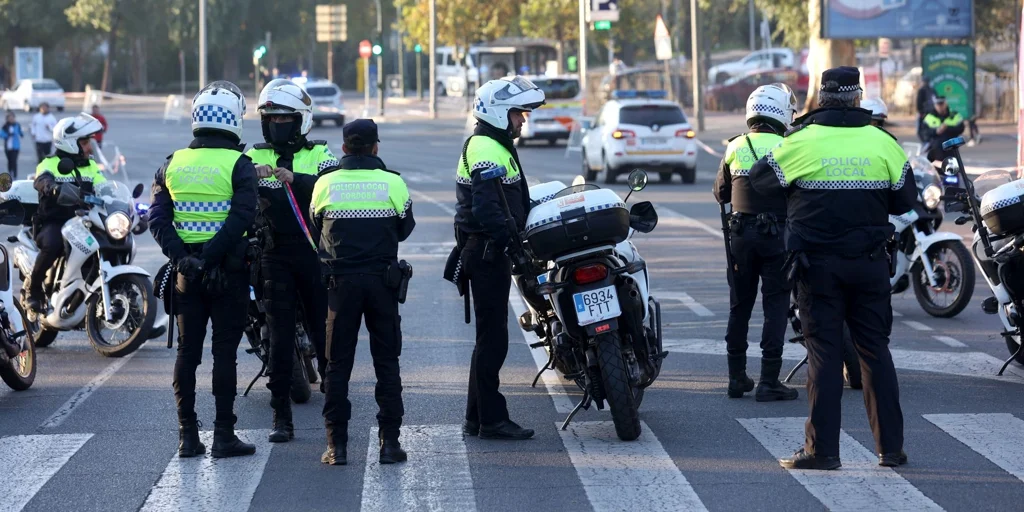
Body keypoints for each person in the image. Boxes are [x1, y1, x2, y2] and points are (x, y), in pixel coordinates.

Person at [749, 66, 914, 471]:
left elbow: (758, 182)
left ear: (821, 99)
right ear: (858, 98)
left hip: (817, 268)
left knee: (823, 355)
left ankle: (822, 452)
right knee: (875, 351)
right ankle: (890, 450)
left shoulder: (801, 141)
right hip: (871, 264)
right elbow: (905, 199)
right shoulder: (883, 142)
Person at [148, 81, 259, 459]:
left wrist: (184, 260)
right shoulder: (239, 165)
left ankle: (187, 436)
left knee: (187, 354)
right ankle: (224, 435)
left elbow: (158, 219)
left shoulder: (172, 163)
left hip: (186, 276)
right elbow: (243, 216)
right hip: (228, 272)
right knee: (224, 354)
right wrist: (211, 256)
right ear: (234, 120)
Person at [311, 119, 415, 466]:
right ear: (375, 147)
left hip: (340, 286)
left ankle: (335, 446)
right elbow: (404, 229)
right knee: (387, 362)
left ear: (343, 148)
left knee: (337, 365)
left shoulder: (325, 184)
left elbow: (316, 225)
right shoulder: (393, 183)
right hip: (382, 284)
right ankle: (390, 444)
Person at [451, 76, 545, 440]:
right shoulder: (486, 148)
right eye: (519, 113)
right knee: (494, 341)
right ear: (498, 112)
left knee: (488, 339)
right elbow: (488, 208)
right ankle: (491, 418)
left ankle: (476, 417)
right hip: (487, 253)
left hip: (486, 252)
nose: (523, 120)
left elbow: (508, 201)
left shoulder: (493, 144)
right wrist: (512, 247)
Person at [245, 79, 332, 443]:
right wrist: (250, 176)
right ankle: (281, 417)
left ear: (302, 121)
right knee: (279, 339)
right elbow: (230, 188)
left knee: (324, 333)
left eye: (285, 119)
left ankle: (335, 412)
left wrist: (297, 179)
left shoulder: (321, 155)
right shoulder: (253, 156)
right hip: (273, 255)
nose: (276, 125)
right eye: (271, 119)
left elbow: (334, 185)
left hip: (313, 254)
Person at [713, 84, 799, 402]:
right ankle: (769, 381)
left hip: (739, 238)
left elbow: (720, 192)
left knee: (740, 307)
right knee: (775, 306)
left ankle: (736, 378)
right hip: (777, 237)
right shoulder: (788, 145)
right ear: (780, 112)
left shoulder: (735, 145)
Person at [26, 113, 107, 314]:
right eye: (86, 142)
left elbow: (104, 187)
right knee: (52, 245)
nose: (90, 147)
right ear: (71, 143)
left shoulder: (91, 166)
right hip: (55, 222)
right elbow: (41, 180)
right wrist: (52, 187)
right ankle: (33, 290)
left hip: (85, 221)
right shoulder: (49, 163)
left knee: (109, 242)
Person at [922, 96, 965, 163]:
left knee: (952, 170)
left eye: (941, 104)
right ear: (935, 105)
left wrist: (947, 128)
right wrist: (936, 131)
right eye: (938, 104)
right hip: (935, 151)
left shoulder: (954, 115)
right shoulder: (929, 117)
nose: (940, 107)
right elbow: (924, 133)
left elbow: (961, 128)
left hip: (951, 150)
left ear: (946, 103)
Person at [1, 112, 23, 178]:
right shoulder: (5, 126)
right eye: (9, 118)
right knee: (9, 161)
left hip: (15, 147)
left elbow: (20, 133)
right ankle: (10, 172)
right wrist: (7, 135)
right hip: (8, 147)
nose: (11, 119)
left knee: (14, 161)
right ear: (7, 119)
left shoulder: (17, 125)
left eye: (12, 118)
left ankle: (15, 175)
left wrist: (19, 133)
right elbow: (1, 134)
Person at [915, 75, 933, 141]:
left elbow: (919, 102)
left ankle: (925, 143)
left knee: (920, 130)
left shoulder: (921, 90)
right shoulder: (932, 90)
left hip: (923, 113)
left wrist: (920, 112)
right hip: (931, 114)